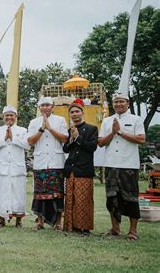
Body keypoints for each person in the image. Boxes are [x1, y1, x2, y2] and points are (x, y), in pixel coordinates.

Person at [98, 92, 145, 241]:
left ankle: (133, 230)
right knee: (112, 197)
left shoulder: (136, 119)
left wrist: (120, 132)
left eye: (121, 101)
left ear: (128, 104)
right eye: (116, 102)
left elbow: (141, 139)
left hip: (128, 164)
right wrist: (112, 133)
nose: (118, 104)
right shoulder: (107, 121)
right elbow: (100, 142)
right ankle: (115, 228)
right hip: (111, 163)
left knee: (130, 197)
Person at [27, 97, 68, 230]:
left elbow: (65, 138)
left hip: (56, 162)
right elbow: (30, 142)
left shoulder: (60, 120)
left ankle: (58, 222)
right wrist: (41, 130)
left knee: (57, 194)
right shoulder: (34, 122)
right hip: (40, 162)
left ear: (52, 106)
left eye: (47, 105)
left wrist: (50, 128)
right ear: (39, 107)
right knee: (40, 193)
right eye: (42, 105)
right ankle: (40, 221)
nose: (45, 108)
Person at [62, 99, 98, 234]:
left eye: (77, 111)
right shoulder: (69, 130)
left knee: (83, 200)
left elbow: (92, 147)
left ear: (82, 113)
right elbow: (66, 149)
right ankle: (71, 226)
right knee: (70, 199)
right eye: (72, 112)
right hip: (71, 169)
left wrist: (78, 138)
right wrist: (71, 139)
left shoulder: (92, 129)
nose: (75, 114)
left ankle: (83, 227)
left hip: (84, 169)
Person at [0, 105, 30, 228]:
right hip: (3, 168)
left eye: (11, 115)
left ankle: (19, 220)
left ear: (16, 117)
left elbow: (28, 146)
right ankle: (1, 219)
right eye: (7, 115)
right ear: (3, 117)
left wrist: (13, 139)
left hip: (17, 167)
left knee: (18, 193)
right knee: (2, 193)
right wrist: (4, 139)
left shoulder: (23, 130)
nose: (9, 117)